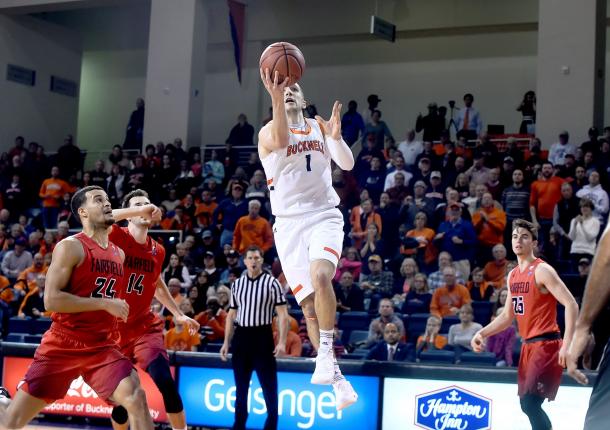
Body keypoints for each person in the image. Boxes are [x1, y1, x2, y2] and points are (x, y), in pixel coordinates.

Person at [0, 186, 154, 429]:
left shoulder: (119, 254)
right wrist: (104, 303)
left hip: (102, 345)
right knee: (11, 422)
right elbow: (51, 301)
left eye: (107, 199)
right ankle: (2, 402)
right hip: (63, 343)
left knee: (136, 397)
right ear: (82, 212)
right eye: (98, 200)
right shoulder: (69, 246)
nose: (106, 204)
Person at [257, 68, 358, 408]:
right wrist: (274, 94)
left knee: (321, 275)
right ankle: (339, 381)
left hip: (323, 215)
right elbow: (283, 140)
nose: (287, 90)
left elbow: (346, 164)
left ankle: (326, 354)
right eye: (282, 87)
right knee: (309, 307)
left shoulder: (318, 126)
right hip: (288, 225)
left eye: (293, 87)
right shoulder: (268, 132)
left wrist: (337, 138)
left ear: (302, 98)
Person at [472, 219, 579, 430]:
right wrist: (482, 333)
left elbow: (571, 304)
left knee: (530, 403)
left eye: (524, 236)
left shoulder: (542, 270)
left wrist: (567, 346)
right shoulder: (512, 275)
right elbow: (506, 317)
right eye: (514, 236)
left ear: (534, 243)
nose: (518, 240)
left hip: (546, 344)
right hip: (528, 346)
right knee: (527, 404)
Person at [108, 189, 200, 430]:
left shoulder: (157, 250)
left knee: (165, 381)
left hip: (144, 328)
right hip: (112, 332)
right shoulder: (116, 236)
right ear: (129, 213)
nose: (145, 207)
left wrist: (178, 312)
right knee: (121, 403)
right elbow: (100, 217)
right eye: (138, 204)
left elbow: (157, 284)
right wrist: (137, 208)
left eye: (147, 203)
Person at [220, 246, 289, 430]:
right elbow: (231, 315)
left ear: (261, 260)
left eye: (256, 257)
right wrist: (226, 342)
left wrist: (281, 342)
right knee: (241, 391)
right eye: (249, 258)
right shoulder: (237, 284)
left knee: (269, 390)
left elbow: (282, 314)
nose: (253, 261)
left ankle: (271, 427)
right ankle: (238, 426)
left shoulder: (271, 283)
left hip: (262, 337)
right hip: (242, 338)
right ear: (245, 261)